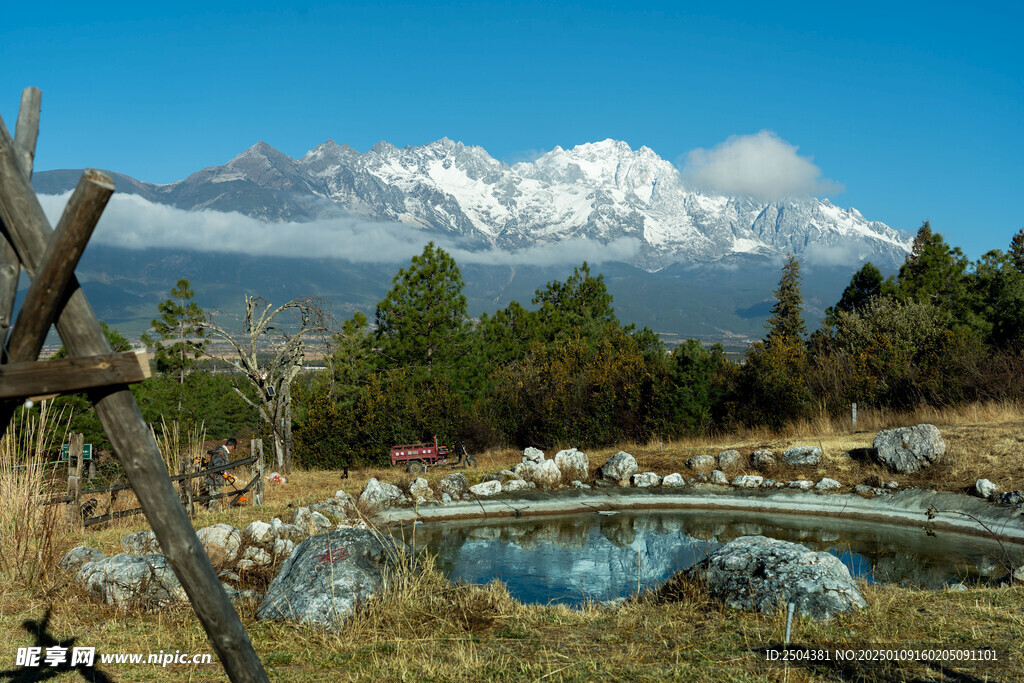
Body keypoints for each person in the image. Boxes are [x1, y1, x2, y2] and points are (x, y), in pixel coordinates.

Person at [202, 438, 236, 510]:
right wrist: (224, 471)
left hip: (217, 478)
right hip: (214, 478)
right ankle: (212, 512)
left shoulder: (221, 451)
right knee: (214, 496)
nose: (233, 450)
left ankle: (213, 512)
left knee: (216, 496)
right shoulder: (220, 452)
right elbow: (217, 464)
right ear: (232, 446)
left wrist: (226, 474)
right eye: (234, 447)